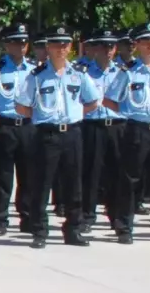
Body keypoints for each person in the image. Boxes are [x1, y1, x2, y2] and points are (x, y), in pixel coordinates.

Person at [15, 25, 101, 247]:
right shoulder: (37, 76)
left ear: (70, 47)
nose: (60, 49)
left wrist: (74, 115)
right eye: (55, 44)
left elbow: (93, 101)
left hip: (72, 133)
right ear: (48, 48)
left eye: (64, 44)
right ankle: (40, 231)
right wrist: (41, 116)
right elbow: (21, 105)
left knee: (74, 184)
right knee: (41, 184)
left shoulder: (78, 75)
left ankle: (73, 229)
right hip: (47, 134)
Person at [103, 24, 150, 243]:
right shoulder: (128, 72)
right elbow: (110, 99)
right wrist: (129, 112)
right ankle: (124, 226)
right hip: (136, 129)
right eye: (146, 42)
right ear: (136, 45)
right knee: (130, 179)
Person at [0, 24, 32, 236]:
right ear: (6, 45)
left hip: (28, 126)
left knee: (28, 175)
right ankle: (1, 219)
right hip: (5, 126)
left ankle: (27, 217)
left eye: (24, 42)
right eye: (16, 42)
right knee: (3, 176)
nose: (21, 46)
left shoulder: (35, 70)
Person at [76, 29, 123, 235]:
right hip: (93, 125)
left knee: (117, 174)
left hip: (117, 126)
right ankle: (87, 215)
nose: (108, 51)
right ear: (96, 49)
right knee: (91, 173)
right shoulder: (84, 71)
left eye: (111, 46)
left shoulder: (123, 71)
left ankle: (117, 217)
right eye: (104, 46)